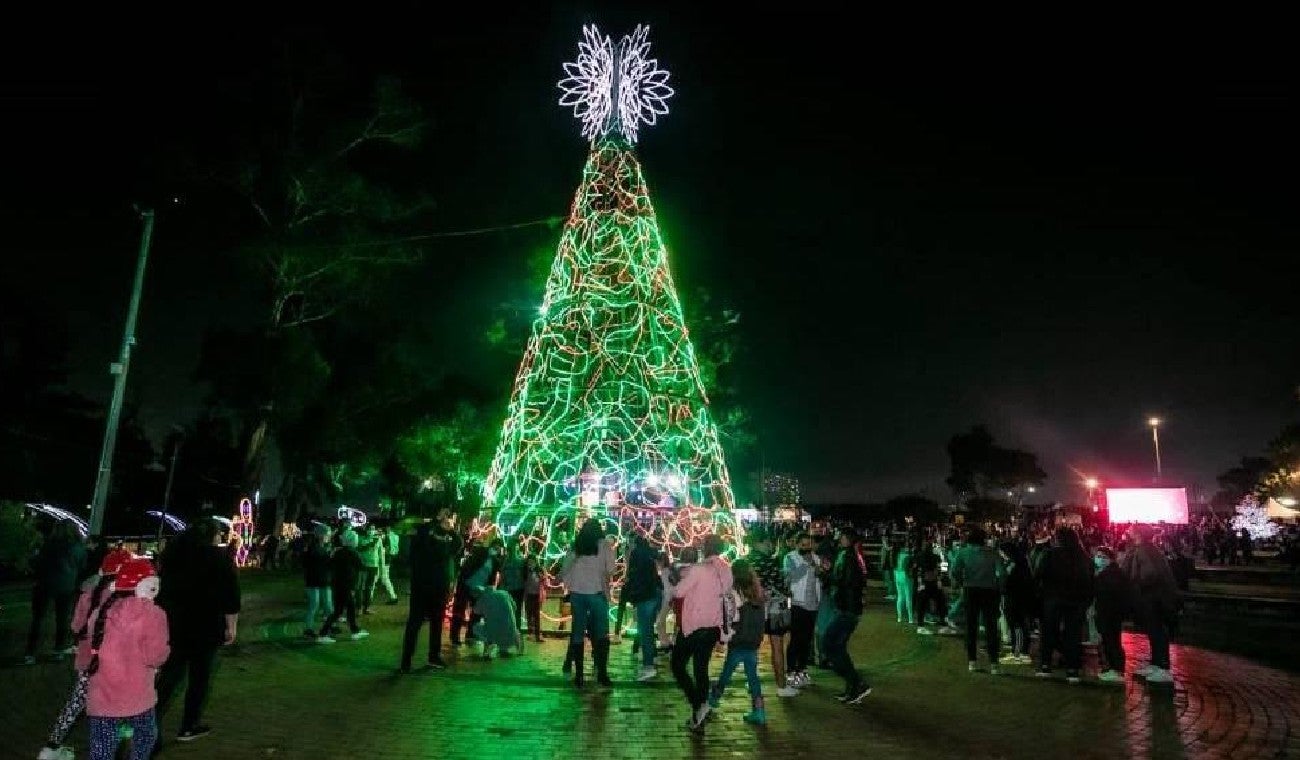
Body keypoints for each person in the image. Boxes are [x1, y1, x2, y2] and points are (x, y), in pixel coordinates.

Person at [38, 547, 133, 760]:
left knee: (74, 705)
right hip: (115, 665)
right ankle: (119, 748)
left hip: (88, 661)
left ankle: (50, 748)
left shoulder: (89, 594)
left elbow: (76, 626)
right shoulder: (126, 600)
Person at [155, 519, 241, 744]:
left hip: (175, 624)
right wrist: (231, 627)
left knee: (169, 677)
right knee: (199, 678)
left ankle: (149, 726)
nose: (221, 538)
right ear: (212, 536)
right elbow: (231, 596)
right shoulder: (219, 559)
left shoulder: (174, 555)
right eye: (219, 534)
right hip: (206, 626)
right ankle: (188, 726)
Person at [83, 557, 169, 760]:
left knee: (102, 748)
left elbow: (90, 648)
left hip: (102, 693)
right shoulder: (154, 615)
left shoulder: (100, 612)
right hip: (138, 694)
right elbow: (155, 657)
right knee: (146, 736)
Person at [672, 534, 733, 730]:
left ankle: (698, 704)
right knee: (701, 669)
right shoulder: (726, 570)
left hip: (694, 626)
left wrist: (680, 577)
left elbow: (678, 592)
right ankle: (699, 713)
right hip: (714, 626)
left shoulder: (698, 570)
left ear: (705, 548)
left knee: (677, 665)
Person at [707, 559, 767, 725]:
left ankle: (712, 700)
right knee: (753, 677)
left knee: (726, 674)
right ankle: (759, 711)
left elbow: (730, 618)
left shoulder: (734, 593)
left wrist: (722, 638)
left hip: (738, 640)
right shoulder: (758, 593)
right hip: (753, 641)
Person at [400, 510, 461, 672]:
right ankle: (407, 660)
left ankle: (433, 656)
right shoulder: (423, 536)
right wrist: (436, 520)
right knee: (415, 623)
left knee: (436, 623)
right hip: (422, 587)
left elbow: (458, 544)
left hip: (438, 588)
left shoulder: (445, 541)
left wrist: (451, 529)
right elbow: (421, 537)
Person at [561, 519, 617, 688]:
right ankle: (602, 673)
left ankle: (579, 675)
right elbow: (611, 570)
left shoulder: (576, 545)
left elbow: (566, 568)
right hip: (597, 593)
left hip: (577, 593)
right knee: (601, 635)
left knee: (577, 633)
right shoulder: (605, 545)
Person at [1035, 527, 1094, 683]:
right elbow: (1089, 579)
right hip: (1075, 600)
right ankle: (1072, 669)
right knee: (1073, 634)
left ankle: (1046, 665)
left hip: (1052, 598)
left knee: (1048, 631)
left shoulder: (1050, 554)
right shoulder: (1083, 556)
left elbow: (1039, 574)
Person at [1121, 525, 1179, 684]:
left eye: (1132, 529)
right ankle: (1156, 663)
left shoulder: (1144, 551)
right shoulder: (1146, 549)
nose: (1129, 531)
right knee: (1153, 631)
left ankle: (1163, 667)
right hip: (1151, 597)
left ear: (1138, 534)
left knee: (1157, 631)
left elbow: (1150, 574)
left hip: (1152, 598)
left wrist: (1137, 585)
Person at [25, 521, 87, 665]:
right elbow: (82, 566)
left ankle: (30, 653)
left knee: (38, 620)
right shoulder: (79, 547)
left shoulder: (48, 545)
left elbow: (37, 563)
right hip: (67, 586)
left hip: (45, 584)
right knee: (62, 619)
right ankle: (58, 650)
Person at [823, 527, 871, 704]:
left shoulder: (848, 557)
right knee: (838, 647)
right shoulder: (850, 555)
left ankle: (856, 683)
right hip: (849, 609)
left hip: (847, 610)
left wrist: (827, 573)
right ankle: (853, 687)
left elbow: (844, 582)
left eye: (841, 536)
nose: (838, 538)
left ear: (847, 539)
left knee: (829, 645)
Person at [950, 527, 1006, 674]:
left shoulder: (963, 552)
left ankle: (972, 661)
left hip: (970, 590)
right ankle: (994, 664)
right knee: (991, 627)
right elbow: (1002, 573)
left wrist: (961, 582)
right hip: (989, 591)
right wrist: (1000, 588)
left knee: (971, 626)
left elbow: (954, 571)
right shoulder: (992, 553)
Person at [749, 531, 797, 697]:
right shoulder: (768, 562)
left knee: (750, 649)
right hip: (773, 610)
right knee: (777, 646)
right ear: (760, 543)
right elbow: (781, 585)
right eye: (768, 543)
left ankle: (753, 686)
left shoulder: (745, 561)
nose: (770, 546)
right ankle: (782, 686)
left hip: (752, 610)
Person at [623, 532, 663, 681]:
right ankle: (652, 657)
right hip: (655, 593)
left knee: (644, 631)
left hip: (644, 595)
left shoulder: (635, 553)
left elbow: (632, 575)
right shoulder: (650, 552)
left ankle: (648, 666)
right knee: (648, 629)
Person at [782, 532, 821, 689]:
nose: (806, 548)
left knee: (807, 640)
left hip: (813, 604)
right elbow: (791, 578)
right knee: (796, 639)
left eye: (808, 544)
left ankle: (802, 670)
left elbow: (819, 578)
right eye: (803, 544)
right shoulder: (790, 558)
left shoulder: (816, 557)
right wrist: (805, 564)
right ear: (797, 544)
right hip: (798, 603)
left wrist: (821, 570)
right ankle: (791, 672)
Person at [317, 528, 369, 643]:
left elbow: (329, 565)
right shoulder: (352, 552)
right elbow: (361, 565)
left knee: (342, 610)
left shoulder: (337, 552)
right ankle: (324, 633)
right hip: (346, 585)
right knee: (341, 610)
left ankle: (354, 630)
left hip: (336, 584)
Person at [1092, 546, 1131, 683]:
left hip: (1109, 613)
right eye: (1098, 556)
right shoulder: (1110, 573)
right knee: (1111, 640)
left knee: (1111, 641)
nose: (1099, 559)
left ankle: (1115, 670)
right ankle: (1113, 669)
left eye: (1103, 557)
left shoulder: (1110, 574)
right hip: (1110, 613)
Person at [1000, 542, 1035, 665]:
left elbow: (1007, 581)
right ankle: (1019, 651)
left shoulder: (1015, 564)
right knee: (1018, 625)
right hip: (1019, 598)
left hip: (1015, 598)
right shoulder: (1022, 563)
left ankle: (1019, 653)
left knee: (1017, 625)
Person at [302, 527, 333, 639]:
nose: (329, 537)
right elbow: (315, 563)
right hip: (316, 580)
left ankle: (328, 626)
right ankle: (309, 629)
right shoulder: (314, 548)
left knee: (327, 606)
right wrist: (329, 556)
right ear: (321, 535)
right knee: (314, 605)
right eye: (327, 534)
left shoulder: (320, 547)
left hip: (321, 580)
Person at [500, 542, 527, 633]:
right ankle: (514, 628)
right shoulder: (518, 560)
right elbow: (503, 574)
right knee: (514, 609)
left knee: (514, 608)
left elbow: (502, 574)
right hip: (513, 587)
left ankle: (513, 628)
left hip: (515, 587)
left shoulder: (509, 561)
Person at [356, 525, 382, 615]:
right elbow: (358, 550)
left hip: (373, 566)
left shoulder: (378, 540)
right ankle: (359, 608)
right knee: (360, 587)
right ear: (366, 530)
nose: (371, 531)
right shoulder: (360, 539)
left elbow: (380, 554)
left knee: (369, 587)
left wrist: (380, 566)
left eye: (373, 529)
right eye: (370, 529)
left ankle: (366, 608)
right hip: (363, 566)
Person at [372, 526, 400, 606]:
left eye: (379, 530)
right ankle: (393, 597)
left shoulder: (384, 538)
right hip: (382, 562)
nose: (377, 532)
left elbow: (387, 550)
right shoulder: (381, 538)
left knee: (377, 578)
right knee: (381, 579)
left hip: (383, 562)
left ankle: (368, 598)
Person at [522, 553, 544, 643]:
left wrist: (541, 577)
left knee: (536, 615)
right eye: (529, 562)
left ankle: (537, 635)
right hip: (528, 595)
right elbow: (524, 583)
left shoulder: (539, 570)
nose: (530, 564)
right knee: (529, 614)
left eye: (532, 562)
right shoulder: (525, 572)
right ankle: (530, 633)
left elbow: (543, 580)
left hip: (537, 595)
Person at [893, 539, 915, 626]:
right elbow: (912, 567)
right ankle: (910, 618)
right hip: (905, 575)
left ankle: (899, 617)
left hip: (897, 574)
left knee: (900, 596)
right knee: (908, 597)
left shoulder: (897, 555)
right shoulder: (908, 556)